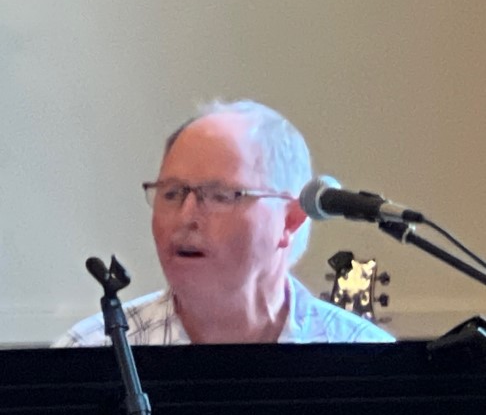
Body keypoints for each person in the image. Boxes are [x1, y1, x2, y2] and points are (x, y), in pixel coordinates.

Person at [53, 99, 394, 347]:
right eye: (172, 193)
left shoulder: (365, 360)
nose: (186, 217)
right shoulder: (90, 353)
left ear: (289, 220)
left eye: (219, 196)